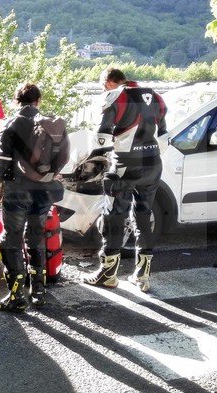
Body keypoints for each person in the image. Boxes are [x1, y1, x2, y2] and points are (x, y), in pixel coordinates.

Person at [81, 67, 167, 292]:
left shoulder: (115, 96)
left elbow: (100, 140)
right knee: (143, 215)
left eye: (102, 85)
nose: (103, 89)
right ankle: (143, 276)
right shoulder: (156, 96)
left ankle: (108, 275)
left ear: (108, 82)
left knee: (114, 216)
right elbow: (164, 137)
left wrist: (93, 164)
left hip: (125, 166)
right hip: (154, 163)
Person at [0, 83, 69, 312]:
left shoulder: (12, 125)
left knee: (11, 239)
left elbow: (1, 166)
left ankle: (16, 298)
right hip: (44, 191)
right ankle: (38, 293)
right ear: (38, 101)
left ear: (16, 101)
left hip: (18, 192)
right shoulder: (50, 124)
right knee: (36, 237)